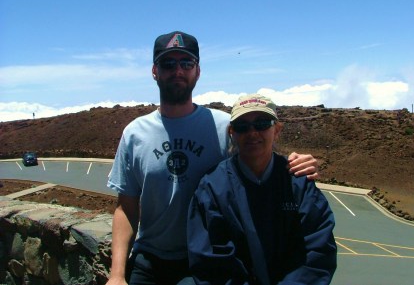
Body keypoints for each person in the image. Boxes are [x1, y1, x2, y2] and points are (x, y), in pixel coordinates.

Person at [106, 31, 319, 285]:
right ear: (155, 71)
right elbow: (126, 208)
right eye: (168, 63)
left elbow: (258, 161)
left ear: (198, 71)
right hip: (150, 259)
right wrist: (117, 275)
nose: (178, 71)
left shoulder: (223, 126)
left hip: (211, 258)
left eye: (186, 63)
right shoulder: (134, 134)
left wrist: (294, 163)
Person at [188, 93, 337, 285]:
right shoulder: (212, 188)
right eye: (243, 127)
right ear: (232, 133)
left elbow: (317, 252)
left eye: (262, 124)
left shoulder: (299, 184)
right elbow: (209, 260)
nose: (252, 133)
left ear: (277, 130)